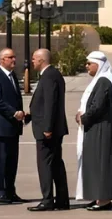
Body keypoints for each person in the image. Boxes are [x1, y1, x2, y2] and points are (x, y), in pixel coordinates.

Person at [76, 51, 112, 212]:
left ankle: (104, 200)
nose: (87, 66)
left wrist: (84, 118)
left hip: (101, 129)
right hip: (95, 128)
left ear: (98, 64)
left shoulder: (103, 82)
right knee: (94, 163)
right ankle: (97, 197)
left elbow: (97, 107)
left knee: (101, 164)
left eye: (89, 63)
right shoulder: (99, 81)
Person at [29, 49, 70, 212]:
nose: (32, 62)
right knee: (55, 164)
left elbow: (50, 103)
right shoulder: (53, 74)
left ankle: (47, 200)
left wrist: (47, 127)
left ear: (41, 60)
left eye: (34, 59)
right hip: (52, 127)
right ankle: (61, 200)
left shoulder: (49, 76)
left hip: (48, 130)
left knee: (45, 164)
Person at [0, 48, 25, 204]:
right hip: (2, 125)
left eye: (15, 57)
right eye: (10, 57)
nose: (14, 60)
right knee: (1, 159)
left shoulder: (12, 76)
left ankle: (10, 190)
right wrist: (13, 112)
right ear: (2, 60)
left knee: (12, 160)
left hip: (13, 126)